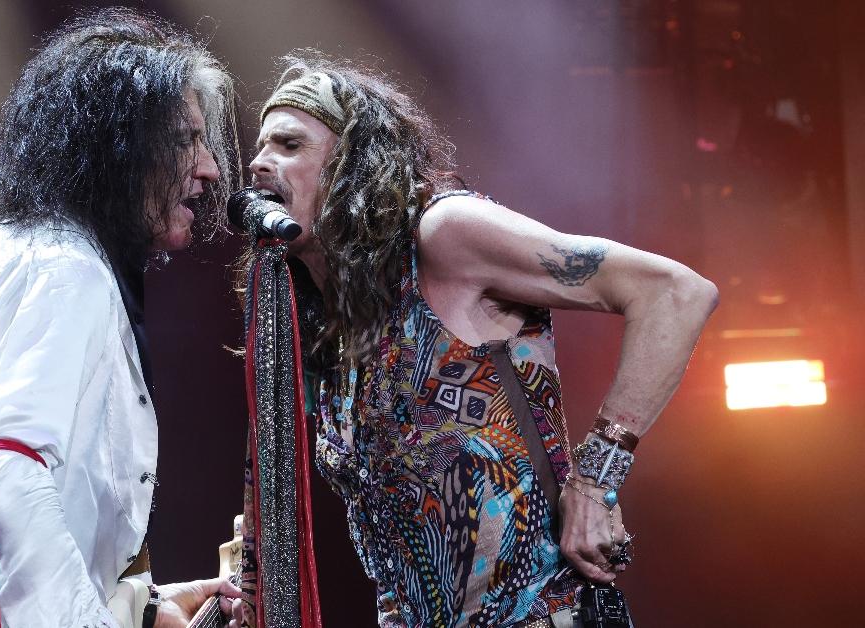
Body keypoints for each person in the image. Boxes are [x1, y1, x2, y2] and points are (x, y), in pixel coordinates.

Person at [238, 52, 719, 627]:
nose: (259, 165)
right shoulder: (326, 323)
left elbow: (675, 292)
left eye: (289, 146)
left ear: (353, 166)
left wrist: (595, 481)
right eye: (261, 148)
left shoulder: (443, 236)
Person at [0, 9, 241, 627]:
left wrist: (140, 608)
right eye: (186, 138)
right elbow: (10, 479)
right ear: (122, 144)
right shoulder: (66, 270)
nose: (210, 168)